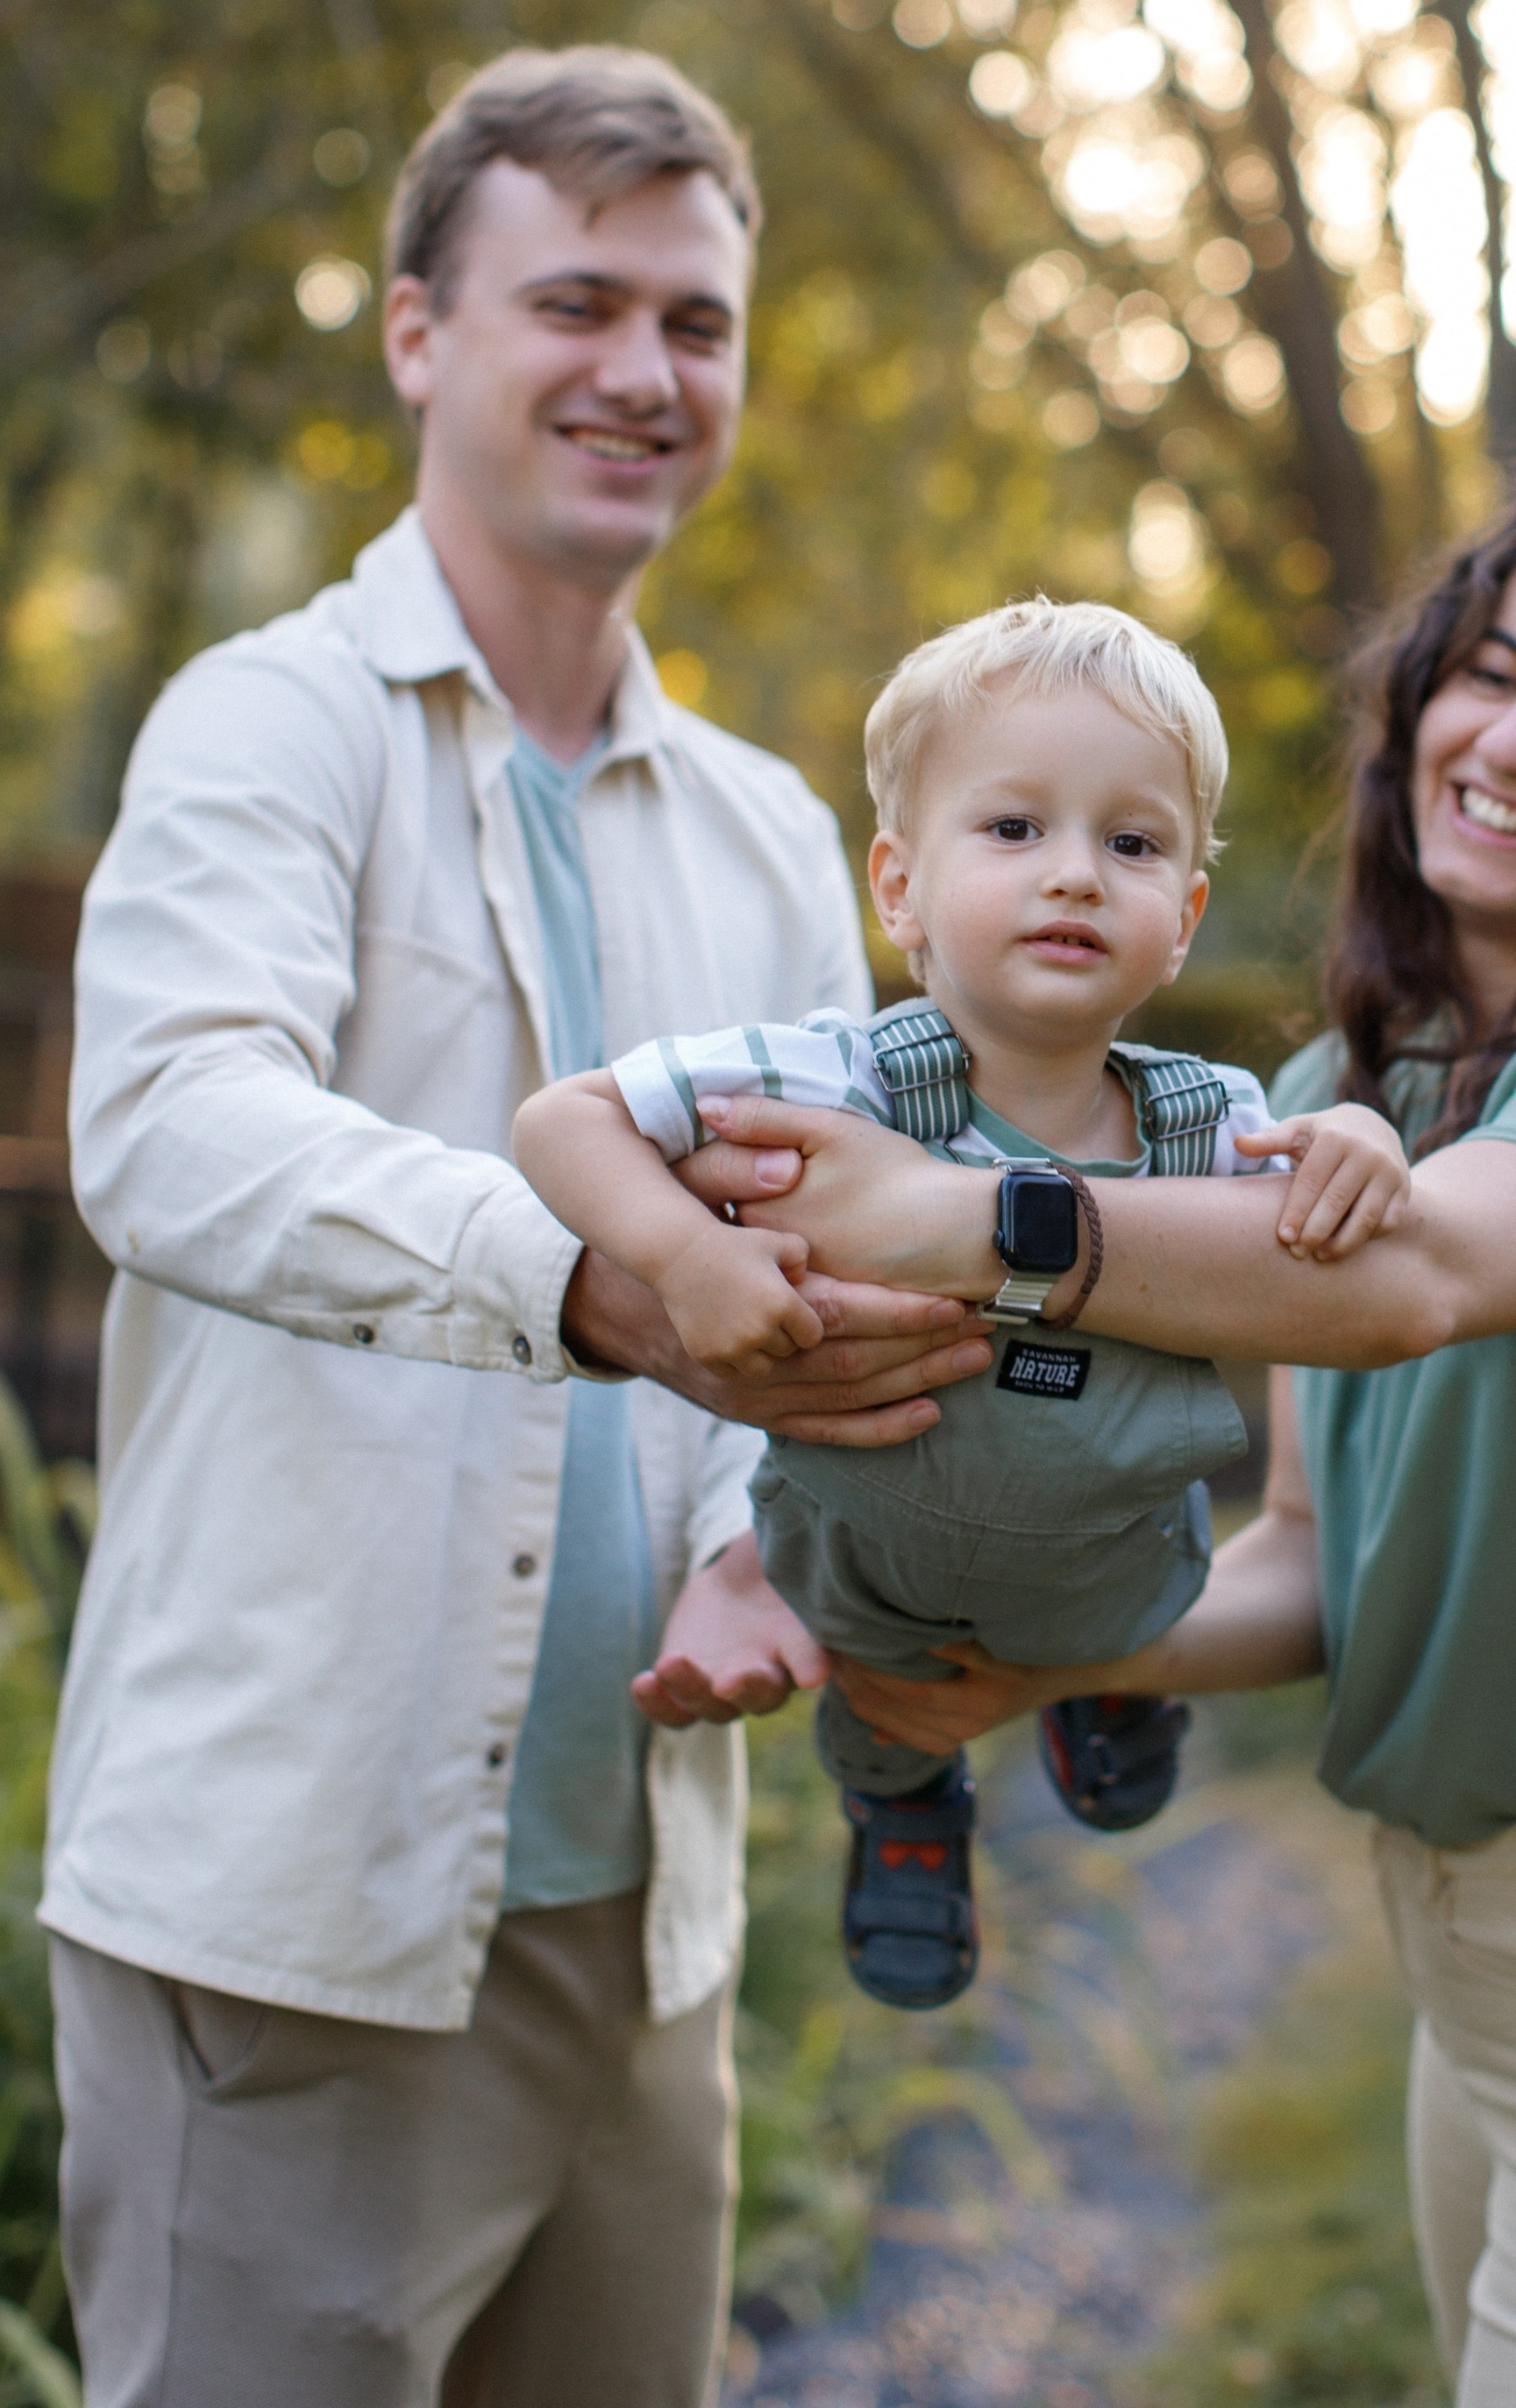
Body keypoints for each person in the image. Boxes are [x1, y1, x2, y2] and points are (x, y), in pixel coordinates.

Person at [666, 473, 1516, 2408]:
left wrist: (954, 1218)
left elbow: (1408, 1280)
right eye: (1488, 672)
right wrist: (1012, 1667)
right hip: (1479, 1989)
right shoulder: (1329, 1098)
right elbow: (1298, 1559)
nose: (1510, 740)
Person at [48, 44, 982, 2408]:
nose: (643, 373)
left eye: (695, 322)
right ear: (416, 333)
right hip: (294, 1919)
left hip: (642, 1924)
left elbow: (828, 1277)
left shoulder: (777, 832)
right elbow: (170, 1127)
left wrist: (771, 1530)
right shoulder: (268, 729)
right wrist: (589, 1272)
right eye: (578, 302)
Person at [513, 600, 1407, 2008]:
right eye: (1013, 830)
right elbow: (561, 1123)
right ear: (897, 886)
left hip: (1112, 1552)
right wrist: (687, 1262)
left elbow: (1323, 1236)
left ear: (1180, 921)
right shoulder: (829, 1078)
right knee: (879, 1674)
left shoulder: (1214, 1116)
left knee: (1130, 1574)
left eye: (1131, 842)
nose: (1074, 875)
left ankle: (1114, 1677)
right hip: (881, 1544)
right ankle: (908, 1808)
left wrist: (1366, 1147)